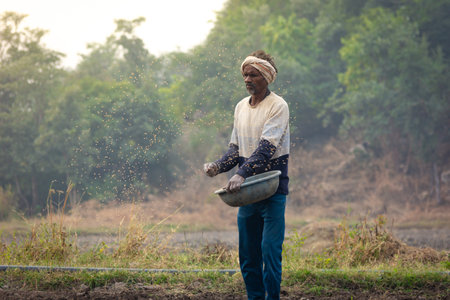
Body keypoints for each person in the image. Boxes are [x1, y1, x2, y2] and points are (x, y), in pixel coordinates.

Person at [203, 50, 289, 300]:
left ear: (267, 77)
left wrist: (240, 174)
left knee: (269, 252)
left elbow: (266, 148)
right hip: (247, 194)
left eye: (253, 75)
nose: (247, 79)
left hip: (272, 191)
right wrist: (217, 166)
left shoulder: (278, 106)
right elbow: (235, 149)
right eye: (245, 75)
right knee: (249, 255)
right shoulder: (241, 107)